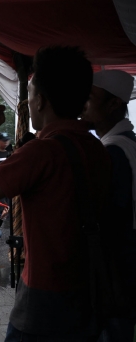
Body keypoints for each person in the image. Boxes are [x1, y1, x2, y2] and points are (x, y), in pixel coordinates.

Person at [0, 46, 111, 340]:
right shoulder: (98, 149)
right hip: (87, 288)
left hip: (43, 295)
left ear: (40, 101)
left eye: (29, 93)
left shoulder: (40, 153)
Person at [81, 69, 136, 342]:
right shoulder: (126, 144)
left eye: (90, 97)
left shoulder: (113, 151)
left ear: (114, 103)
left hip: (120, 273)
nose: (83, 104)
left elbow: (110, 222)